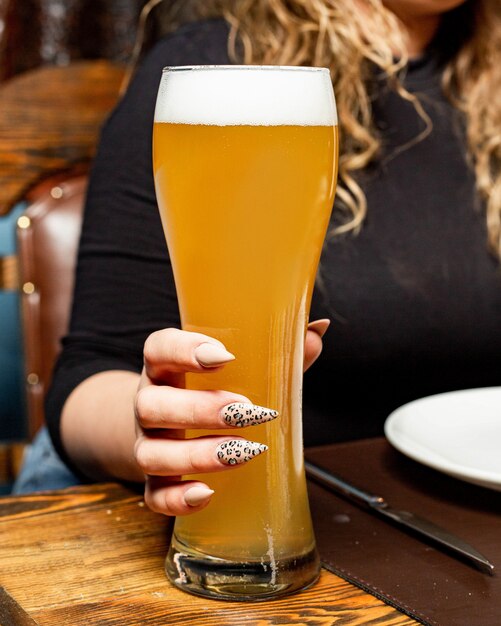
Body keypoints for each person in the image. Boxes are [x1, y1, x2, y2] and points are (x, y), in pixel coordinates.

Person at [14, 0, 501, 518]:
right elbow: (90, 375)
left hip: (442, 524)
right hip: (194, 515)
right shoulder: (212, 74)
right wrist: (158, 434)